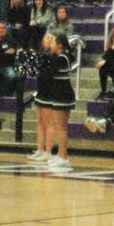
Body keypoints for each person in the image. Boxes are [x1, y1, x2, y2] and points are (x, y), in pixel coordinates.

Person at [35, 34, 75, 168]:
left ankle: (63, 157)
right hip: (61, 93)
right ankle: (60, 155)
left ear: (60, 45)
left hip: (62, 95)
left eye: (53, 42)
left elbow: (47, 74)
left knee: (61, 128)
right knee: (60, 128)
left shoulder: (61, 58)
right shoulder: (62, 57)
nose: (51, 44)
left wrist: (38, 65)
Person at [28, 33, 56, 162]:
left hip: (50, 92)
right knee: (40, 122)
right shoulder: (40, 55)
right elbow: (32, 70)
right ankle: (40, 149)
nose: (48, 40)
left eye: (51, 38)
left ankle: (49, 151)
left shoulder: (55, 57)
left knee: (48, 123)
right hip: (40, 90)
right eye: (46, 38)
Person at [0, 21, 20, 107]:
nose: (1, 30)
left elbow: (14, 55)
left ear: (6, 30)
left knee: (12, 76)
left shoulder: (11, 40)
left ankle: (8, 98)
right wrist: (5, 54)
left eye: (3, 28)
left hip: (7, 65)